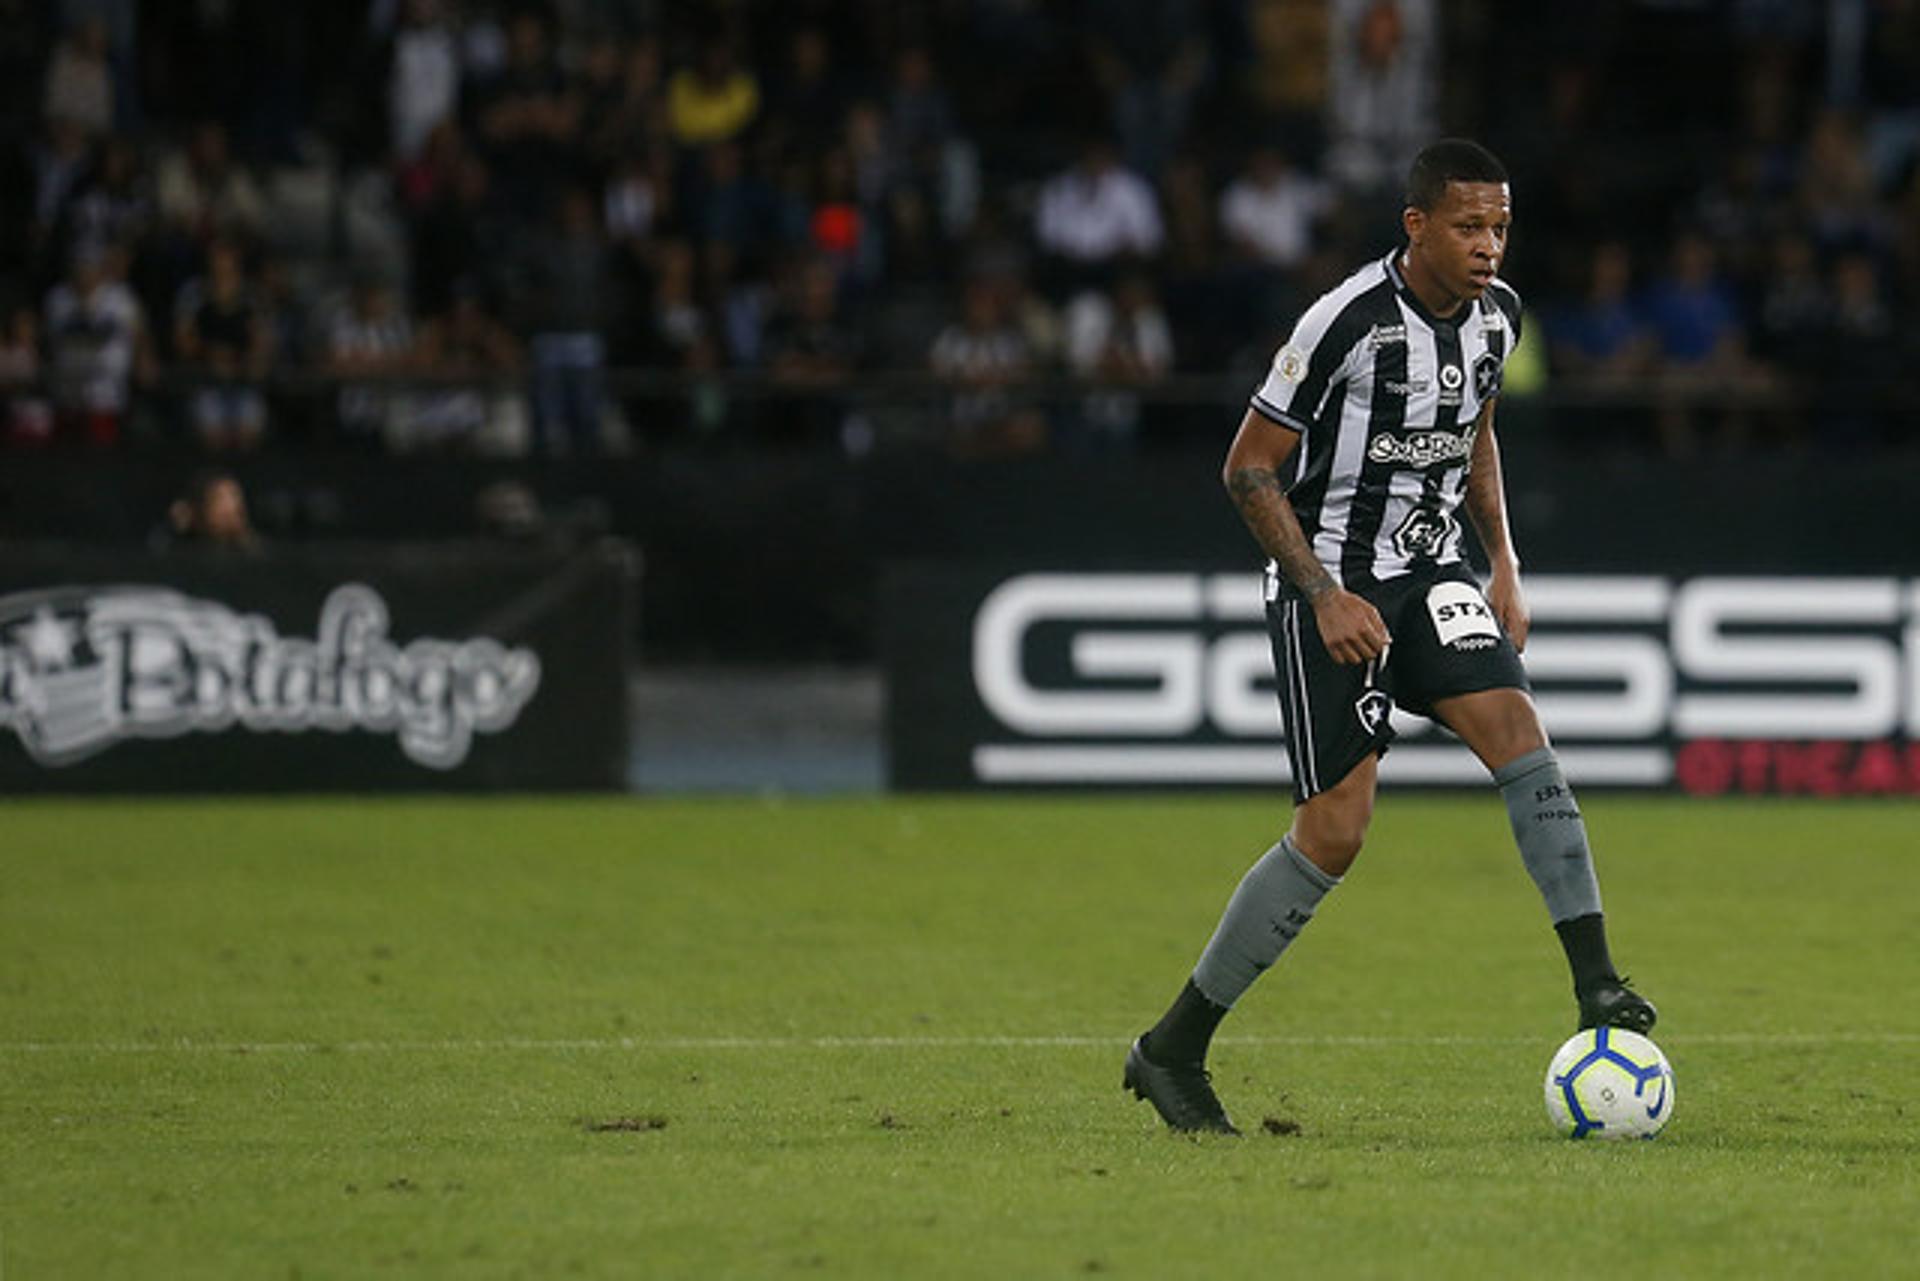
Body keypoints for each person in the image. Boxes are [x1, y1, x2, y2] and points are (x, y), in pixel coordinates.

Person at [1124, 139, 1656, 1135]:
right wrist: (1322, 593)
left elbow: (1476, 428)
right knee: (1336, 833)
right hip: (1334, 588)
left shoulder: (1500, 318)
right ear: (1416, 226)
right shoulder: (1346, 322)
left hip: (1435, 574)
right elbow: (1247, 467)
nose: (1488, 245)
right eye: (1468, 226)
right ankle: (1171, 1049)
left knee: (1522, 739)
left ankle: (1598, 987)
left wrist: (1504, 564)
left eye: (1499, 226)